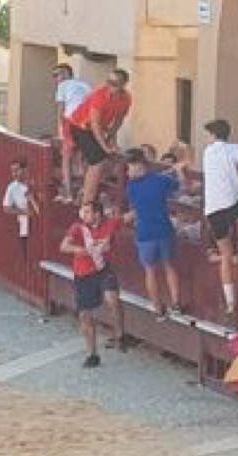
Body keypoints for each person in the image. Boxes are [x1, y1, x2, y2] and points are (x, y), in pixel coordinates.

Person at [60, 200, 128, 368]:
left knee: (112, 298)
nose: (84, 215)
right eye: (84, 212)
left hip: (102, 270)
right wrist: (82, 251)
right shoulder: (78, 228)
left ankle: (120, 335)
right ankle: (92, 354)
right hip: (83, 274)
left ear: (97, 214)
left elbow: (128, 217)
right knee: (85, 315)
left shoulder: (109, 224)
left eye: (88, 212)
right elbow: (64, 246)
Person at [123, 147, 187, 320]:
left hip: (144, 233)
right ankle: (176, 304)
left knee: (150, 270)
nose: (128, 172)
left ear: (138, 165)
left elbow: (134, 208)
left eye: (129, 167)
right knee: (169, 266)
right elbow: (179, 187)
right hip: (164, 229)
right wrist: (178, 171)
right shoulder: (160, 180)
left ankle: (158, 308)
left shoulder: (131, 187)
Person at [68, 68, 132, 205]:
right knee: (98, 161)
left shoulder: (126, 98)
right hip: (80, 126)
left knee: (103, 158)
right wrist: (105, 146)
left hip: (100, 127)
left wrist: (111, 139)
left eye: (115, 83)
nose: (110, 86)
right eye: (109, 82)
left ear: (123, 85)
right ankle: (87, 202)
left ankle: (90, 193)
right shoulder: (99, 95)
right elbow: (94, 124)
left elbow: (118, 120)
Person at [201, 118, 238, 322]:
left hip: (214, 209)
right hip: (232, 204)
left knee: (225, 254)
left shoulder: (207, 153)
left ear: (214, 136)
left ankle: (230, 302)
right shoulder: (233, 150)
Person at [53, 64, 91, 203]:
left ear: (65, 74)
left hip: (71, 121)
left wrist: (61, 132)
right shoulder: (85, 85)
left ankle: (68, 193)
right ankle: (84, 190)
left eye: (56, 75)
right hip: (86, 123)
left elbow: (60, 110)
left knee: (66, 158)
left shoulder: (62, 86)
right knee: (84, 158)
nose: (55, 79)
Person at [2, 157, 38, 259]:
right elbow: (6, 208)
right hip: (24, 226)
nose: (14, 174)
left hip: (39, 224)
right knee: (26, 255)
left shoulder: (35, 182)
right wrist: (23, 211)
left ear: (25, 170)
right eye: (12, 171)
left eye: (17, 170)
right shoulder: (12, 187)